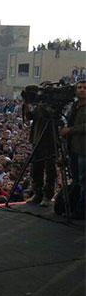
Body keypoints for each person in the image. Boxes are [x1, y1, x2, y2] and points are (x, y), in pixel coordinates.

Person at [60, 79, 86, 219]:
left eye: (85, 88)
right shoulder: (74, 106)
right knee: (75, 179)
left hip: (83, 149)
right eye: (79, 87)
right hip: (73, 147)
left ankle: (81, 211)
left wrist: (70, 130)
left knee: (83, 181)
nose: (82, 90)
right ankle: (73, 206)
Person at [22, 103, 56, 207]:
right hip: (37, 141)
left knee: (49, 169)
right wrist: (26, 105)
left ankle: (47, 195)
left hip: (49, 142)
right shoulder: (39, 107)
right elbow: (30, 116)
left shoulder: (54, 105)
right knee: (36, 169)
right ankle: (37, 193)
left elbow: (49, 115)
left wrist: (41, 104)